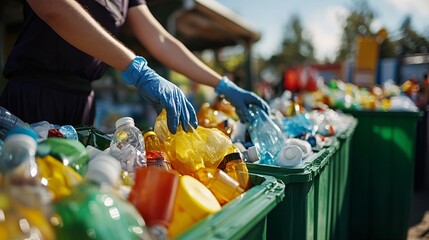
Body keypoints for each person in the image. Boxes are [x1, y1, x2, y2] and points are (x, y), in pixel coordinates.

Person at [0, 0, 269, 134]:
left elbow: (161, 39)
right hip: (33, 95)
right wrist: (138, 70)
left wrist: (222, 84)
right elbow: (53, 8)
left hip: (81, 103)